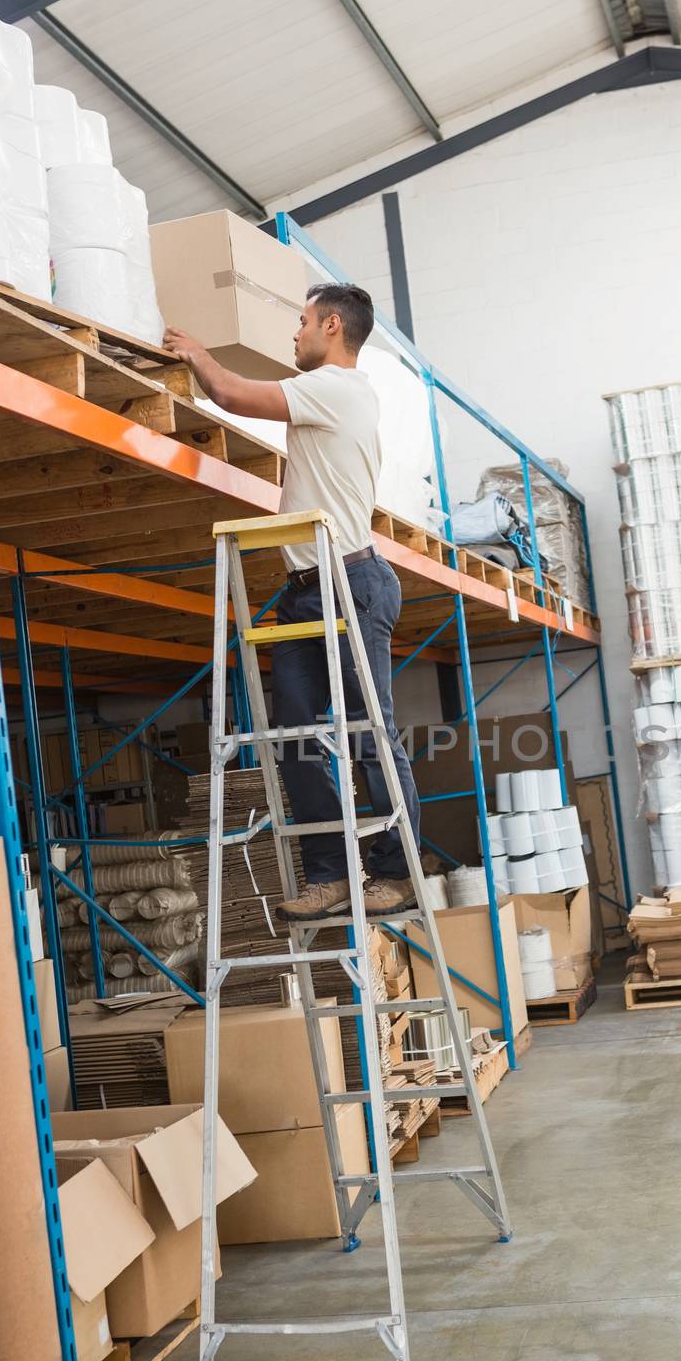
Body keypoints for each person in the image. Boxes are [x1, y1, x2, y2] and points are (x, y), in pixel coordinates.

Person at [163, 284, 420, 920]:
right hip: (306, 590)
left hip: (350, 584)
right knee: (299, 739)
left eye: (302, 323)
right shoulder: (328, 396)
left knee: (369, 735)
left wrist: (196, 352)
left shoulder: (336, 388)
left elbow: (231, 394)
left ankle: (397, 872)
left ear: (332, 326)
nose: (295, 334)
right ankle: (333, 875)